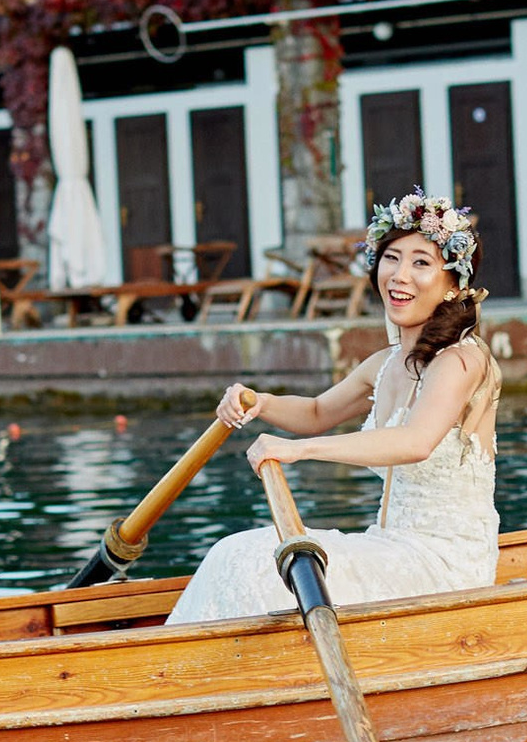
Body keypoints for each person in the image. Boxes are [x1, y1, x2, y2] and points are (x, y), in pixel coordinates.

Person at [167, 192, 501, 625]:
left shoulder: (462, 360)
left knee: (252, 560)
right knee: (234, 550)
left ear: (453, 284)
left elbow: (416, 442)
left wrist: (299, 451)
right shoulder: (383, 364)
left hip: (443, 566)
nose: (400, 276)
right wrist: (258, 401)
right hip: (388, 546)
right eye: (392, 258)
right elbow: (316, 412)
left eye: (421, 263)